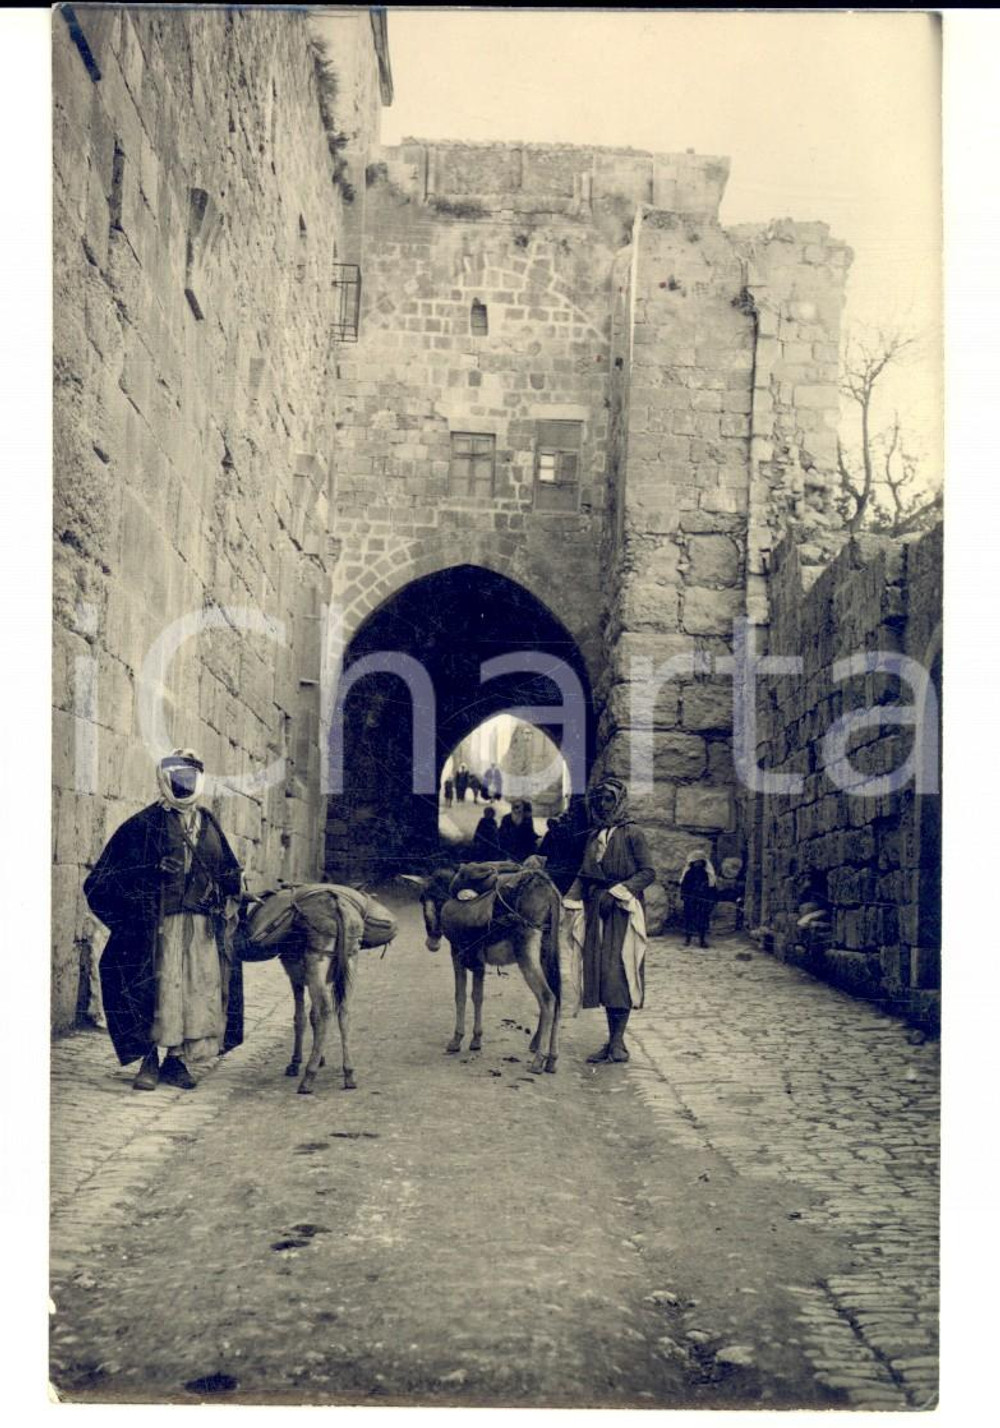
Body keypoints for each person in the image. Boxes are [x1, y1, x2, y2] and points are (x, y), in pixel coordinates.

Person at [83, 748, 245, 1091]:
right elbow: (101, 882)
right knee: (155, 990)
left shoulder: (209, 823)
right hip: (157, 929)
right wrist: (150, 876)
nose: (183, 785)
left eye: (189, 778)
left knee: (192, 993)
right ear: (164, 779)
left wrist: (225, 890)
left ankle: (176, 1060)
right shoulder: (143, 825)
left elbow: (228, 870)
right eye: (177, 778)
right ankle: (148, 1061)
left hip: (199, 929)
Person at [564, 776, 654, 1064]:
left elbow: (647, 872)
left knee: (620, 974)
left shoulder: (632, 834)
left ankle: (617, 1043)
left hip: (622, 913)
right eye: (600, 799)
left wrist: (618, 892)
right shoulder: (594, 837)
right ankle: (614, 1041)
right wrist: (570, 899)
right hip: (597, 913)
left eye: (608, 799)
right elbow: (584, 872)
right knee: (602, 976)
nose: (603, 805)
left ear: (619, 801)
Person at [534, 794, 591, 896]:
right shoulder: (568, 818)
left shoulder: (584, 820)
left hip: (570, 868)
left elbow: (577, 839)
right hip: (556, 864)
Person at [679, 850, 717, 948]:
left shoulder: (707, 874)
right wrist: (685, 896)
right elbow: (684, 886)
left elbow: (712, 886)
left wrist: (711, 898)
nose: (698, 864)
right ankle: (688, 939)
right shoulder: (689, 873)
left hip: (702, 901)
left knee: (702, 920)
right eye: (696, 862)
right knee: (689, 919)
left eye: (699, 862)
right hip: (690, 901)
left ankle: (702, 940)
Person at [495, 797, 539, 863]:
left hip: (523, 847)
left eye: (519, 807)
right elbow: (501, 832)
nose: (517, 810)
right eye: (515, 807)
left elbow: (530, 831)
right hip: (509, 846)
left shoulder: (527, 818)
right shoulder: (506, 818)